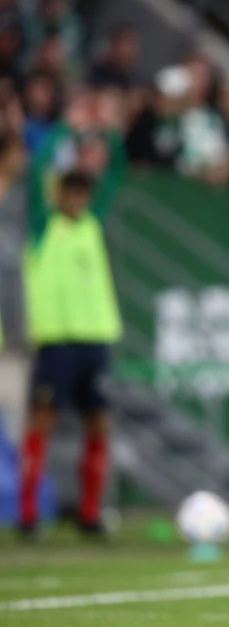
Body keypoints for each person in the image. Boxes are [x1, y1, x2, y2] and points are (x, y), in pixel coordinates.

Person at [18, 92, 126, 539]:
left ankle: (89, 513)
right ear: (59, 192)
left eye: (83, 192)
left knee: (99, 423)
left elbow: (116, 173)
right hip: (57, 341)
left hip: (95, 340)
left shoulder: (91, 224)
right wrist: (67, 125)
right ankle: (28, 515)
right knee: (42, 421)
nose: (78, 198)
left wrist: (107, 130)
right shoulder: (44, 227)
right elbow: (34, 174)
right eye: (71, 190)